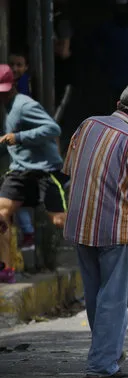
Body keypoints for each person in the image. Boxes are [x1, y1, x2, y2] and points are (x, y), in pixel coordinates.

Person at [63, 81, 128, 378]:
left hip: (80, 224)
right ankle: (102, 364)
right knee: (114, 298)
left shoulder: (86, 125)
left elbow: (69, 167)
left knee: (95, 295)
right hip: (116, 228)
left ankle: (107, 351)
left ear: (118, 104)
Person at [0, 65, 66, 283]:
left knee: (59, 221)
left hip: (44, 171)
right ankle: (6, 269)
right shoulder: (6, 106)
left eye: (5, 90)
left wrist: (19, 137)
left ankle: (99, 243)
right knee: (1, 214)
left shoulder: (25, 105)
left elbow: (53, 129)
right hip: (19, 171)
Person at [7, 50, 37, 249]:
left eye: (20, 64)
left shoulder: (24, 88)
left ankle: (28, 233)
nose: (16, 69)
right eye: (12, 65)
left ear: (26, 67)